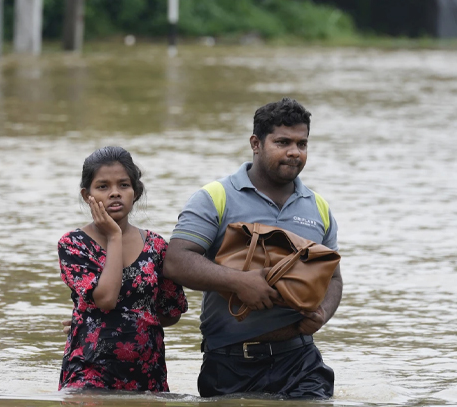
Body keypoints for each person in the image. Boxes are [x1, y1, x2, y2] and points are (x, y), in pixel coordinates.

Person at [163, 98, 343, 399]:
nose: (294, 152)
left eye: (302, 144)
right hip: (230, 363)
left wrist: (322, 313)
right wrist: (239, 282)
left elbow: (334, 279)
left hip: (301, 361)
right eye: (282, 142)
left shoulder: (319, 208)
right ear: (256, 143)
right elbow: (176, 261)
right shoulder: (215, 197)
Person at [57, 146, 188, 392]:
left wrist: (121, 321)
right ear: (87, 195)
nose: (115, 193)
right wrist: (115, 237)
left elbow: (171, 312)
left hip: (148, 374)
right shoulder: (73, 245)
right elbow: (105, 299)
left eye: (124, 185)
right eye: (103, 186)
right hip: (89, 372)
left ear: (136, 192)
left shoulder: (157, 246)